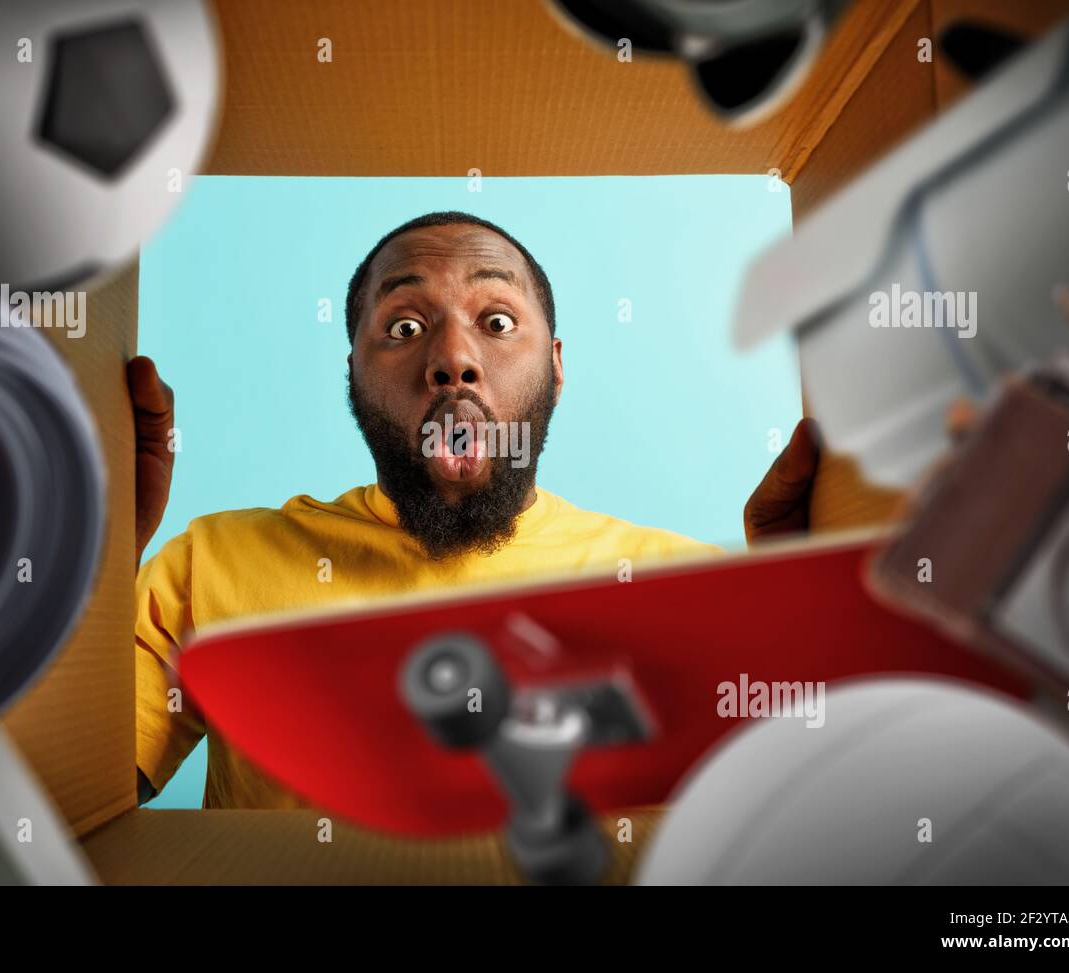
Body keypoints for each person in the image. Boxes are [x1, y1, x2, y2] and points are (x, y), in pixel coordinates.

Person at [129, 211, 819, 807]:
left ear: (554, 367)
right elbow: (71, 797)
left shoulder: (683, 585)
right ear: (353, 376)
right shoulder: (212, 567)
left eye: (495, 321)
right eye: (402, 326)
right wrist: (93, 563)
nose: (453, 358)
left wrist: (809, 621)